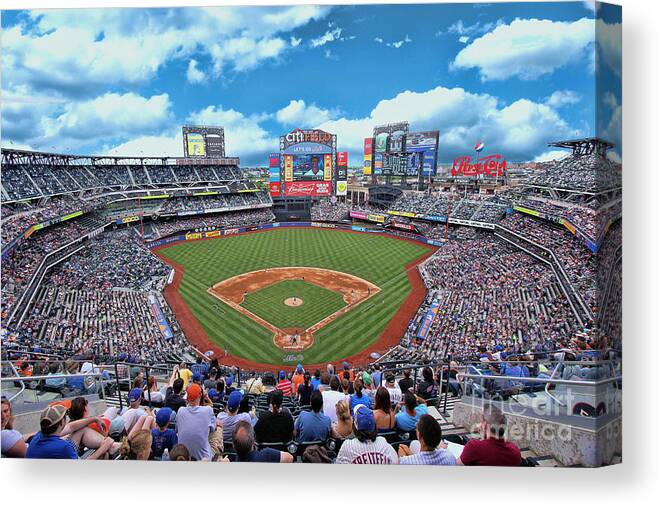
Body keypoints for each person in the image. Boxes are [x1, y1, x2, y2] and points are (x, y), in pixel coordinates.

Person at [26, 405, 114, 459]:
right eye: (65, 416)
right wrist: (103, 447)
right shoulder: (63, 447)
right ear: (61, 422)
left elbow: (71, 427)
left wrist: (94, 419)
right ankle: (114, 447)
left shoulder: (38, 436)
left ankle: (114, 446)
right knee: (104, 453)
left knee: (81, 429)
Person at [457, 404, 521, 466]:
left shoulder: (474, 446)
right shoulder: (515, 451)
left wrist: (482, 437)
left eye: (482, 421)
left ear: (484, 425)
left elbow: (457, 464)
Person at [176, 383, 221, 461]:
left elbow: (177, 430)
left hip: (183, 456)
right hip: (204, 458)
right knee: (219, 427)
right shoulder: (208, 410)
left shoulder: (180, 410)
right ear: (200, 396)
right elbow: (214, 429)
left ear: (187, 398)